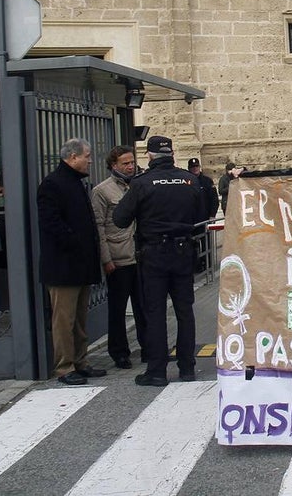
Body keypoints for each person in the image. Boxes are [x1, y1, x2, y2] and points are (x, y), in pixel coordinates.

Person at [113, 135, 204, 387]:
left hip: (154, 254)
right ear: (172, 153)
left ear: (150, 155)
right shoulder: (190, 180)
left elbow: (120, 219)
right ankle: (187, 367)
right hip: (184, 251)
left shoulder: (142, 183)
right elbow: (201, 214)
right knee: (185, 311)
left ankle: (157, 371)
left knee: (155, 313)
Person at [37, 138, 106, 386]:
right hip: (63, 266)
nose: (89, 160)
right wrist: (75, 243)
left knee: (79, 318)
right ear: (73, 157)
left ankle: (80, 361)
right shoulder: (52, 184)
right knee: (63, 320)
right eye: (86, 156)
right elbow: (52, 223)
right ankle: (64, 367)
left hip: (80, 264)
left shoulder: (76, 183)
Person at [91, 145, 146, 369]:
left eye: (132, 162)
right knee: (118, 308)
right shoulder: (102, 191)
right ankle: (119, 352)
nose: (130, 166)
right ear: (114, 165)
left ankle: (148, 347)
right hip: (118, 255)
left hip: (140, 254)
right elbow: (99, 227)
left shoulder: (140, 185)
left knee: (144, 305)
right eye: (125, 163)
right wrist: (106, 259)